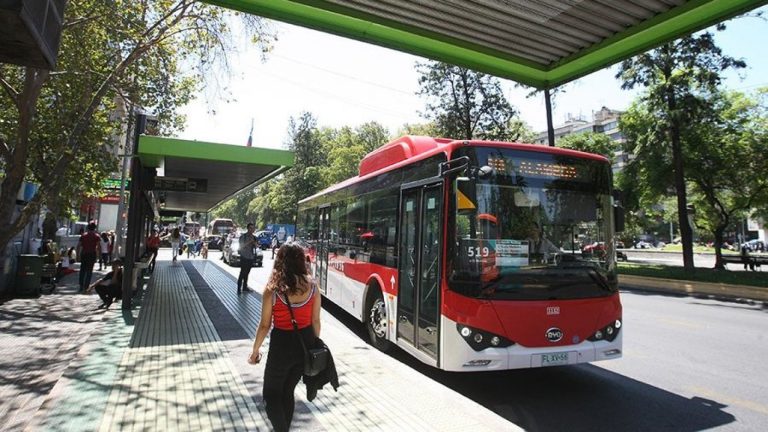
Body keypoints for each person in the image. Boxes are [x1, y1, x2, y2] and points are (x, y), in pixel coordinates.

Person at [248, 243, 322, 432]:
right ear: (300, 261)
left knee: (270, 395)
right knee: (287, 392)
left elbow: (265, 325)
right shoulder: (313, 287)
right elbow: (316, 321)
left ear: (279, 261)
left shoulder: (272, 290)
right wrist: (312, 346)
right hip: (304, 343)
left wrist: (255, 351)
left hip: (281, 345)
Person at [77, 223, 100, 293]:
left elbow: (78, 245)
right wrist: (98, 255)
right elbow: (98, 247)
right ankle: (86, 287)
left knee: (82, 270)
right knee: (89, 271)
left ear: (88, 228)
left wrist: (78, 255)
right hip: (92, 254)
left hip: (84, 254)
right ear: (95, 228)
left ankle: (81, 286)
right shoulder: (97, 236)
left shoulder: (83, 236)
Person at [237, 223, 258, 293]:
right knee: (242, 272)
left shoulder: (254, 237)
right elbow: (241, 246)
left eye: (253, 228)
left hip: (250, 257)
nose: (252, 230)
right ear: (248, 228)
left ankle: (245, 287)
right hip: (244, 256)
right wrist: (249, 242)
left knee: (247, 272)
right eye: (251, 228)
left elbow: (257, 246)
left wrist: (255, 243)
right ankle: (239, 287)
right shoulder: (243, 237)